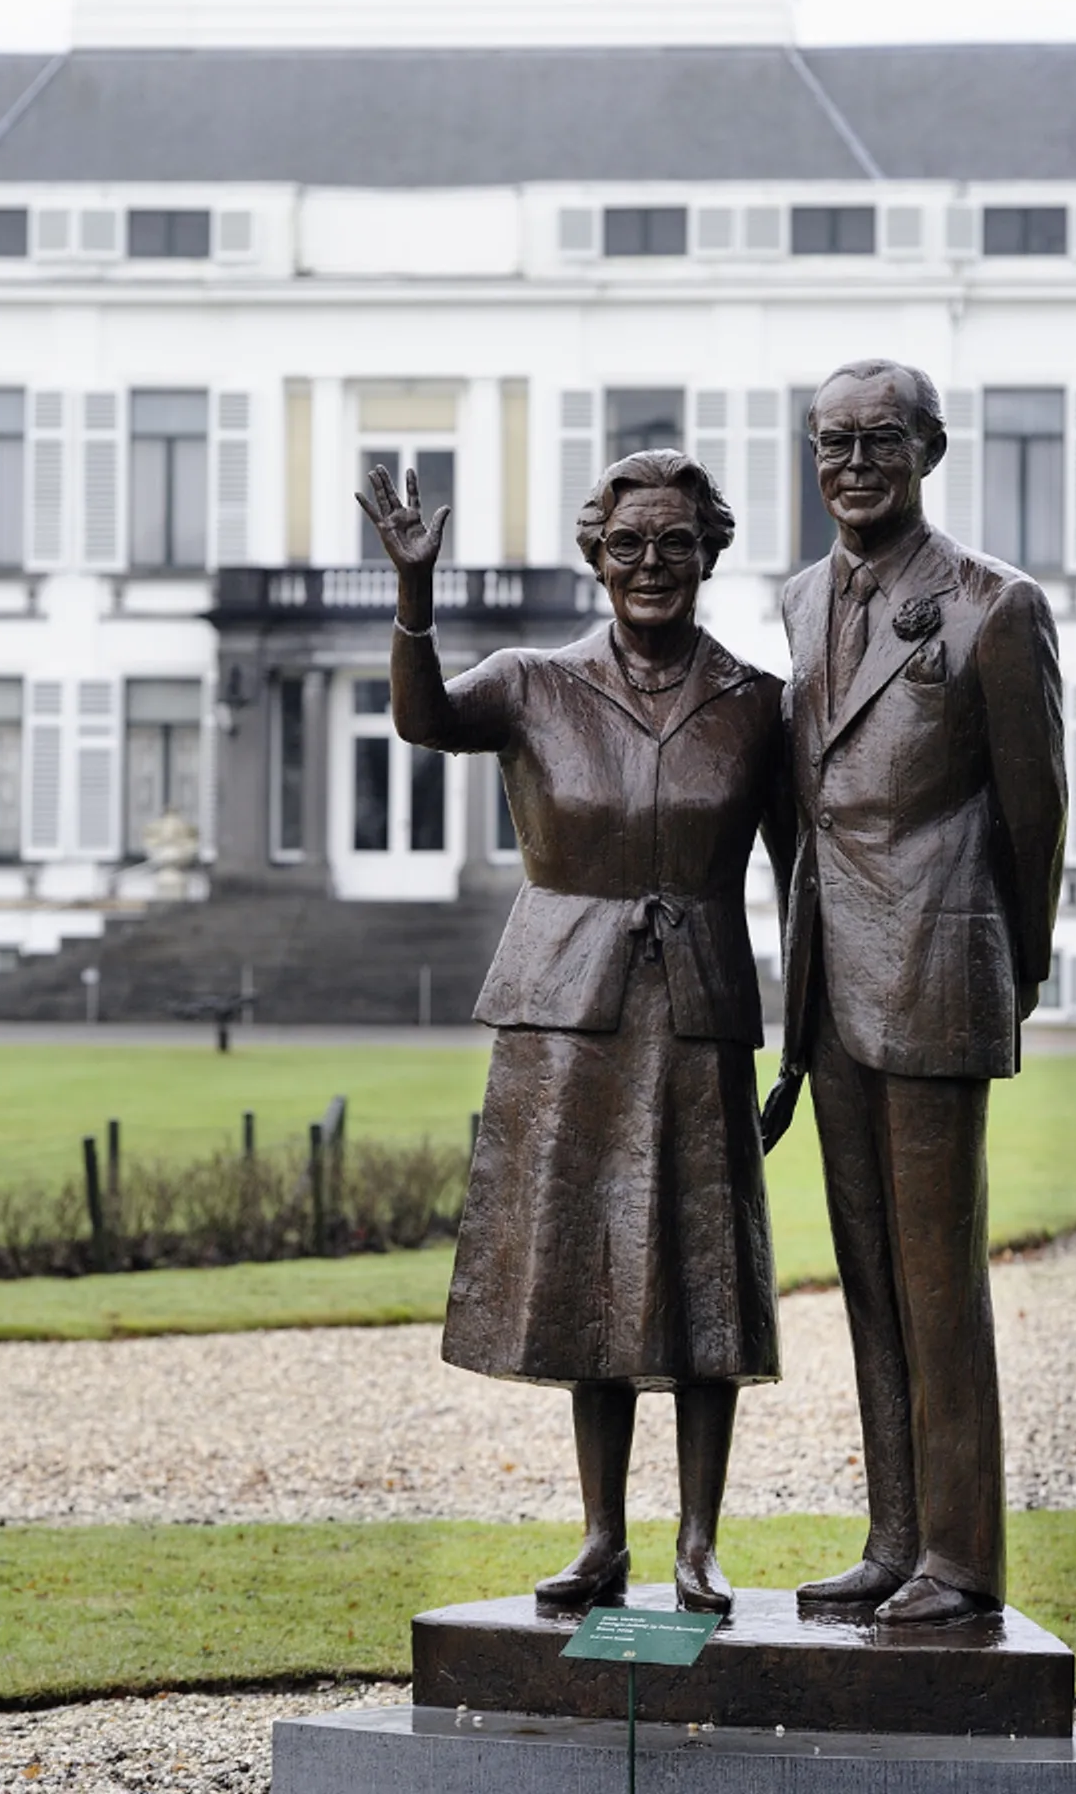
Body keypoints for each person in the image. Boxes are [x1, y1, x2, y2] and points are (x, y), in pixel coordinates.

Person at [370, 450, 793, 1615]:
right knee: (594, 1273)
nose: (650, 564)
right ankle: (602, 1535)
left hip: (703, 1008)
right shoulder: (531, 682)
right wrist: (416, 600)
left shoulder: (760, 705)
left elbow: (802, 880)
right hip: (567, 1013)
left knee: (705, 1271)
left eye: (673, 543)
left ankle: (698, 1542)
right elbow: (424, 719)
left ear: (710, 553)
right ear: (595, 558)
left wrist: (802, 1040)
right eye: (627, 544)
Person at [773, 358, 1068, 1628]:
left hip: (940, 965)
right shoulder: (796, 601)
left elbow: (1036, 810)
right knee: (869, 1275)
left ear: (928, 451)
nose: (850, 465)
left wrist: (1014, 961)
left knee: (940, 1279)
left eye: (876, 441)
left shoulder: (994, 608)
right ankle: (895, 1538)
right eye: (830, 443)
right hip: (831, 977)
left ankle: (965, 1559)